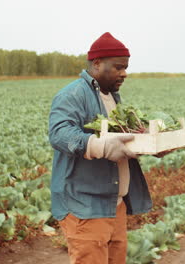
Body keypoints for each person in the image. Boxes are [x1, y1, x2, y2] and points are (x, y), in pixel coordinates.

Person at [48, 32, 152, 264]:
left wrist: (150, 145)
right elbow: (59, 133)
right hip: (85, 204)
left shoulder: (112, 96)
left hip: (113, 202)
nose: (124, 73)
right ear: (96, 64)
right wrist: (100, 146)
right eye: (118, 67)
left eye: (125, 67)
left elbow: (119, 141)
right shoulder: (72, 95)